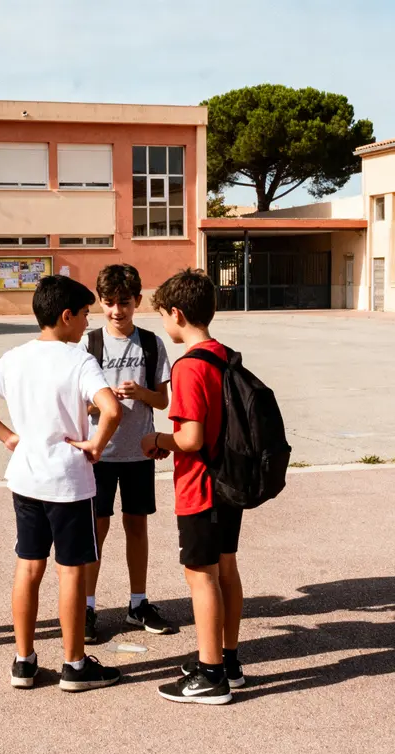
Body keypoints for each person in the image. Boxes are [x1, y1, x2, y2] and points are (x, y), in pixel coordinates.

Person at [0, 275, 125, 693]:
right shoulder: (79, 360)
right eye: (85, 315)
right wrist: (96, 446)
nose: (88, 324)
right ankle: (74, 664)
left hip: (26, 478)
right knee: (71, 571)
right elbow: (111, 410)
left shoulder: (15, 357)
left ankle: (24, 661)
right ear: (66, 316)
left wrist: (9, 437)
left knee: (28, 567)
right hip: (68, 481)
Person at [139, 269, 242, 705]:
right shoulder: (224, 354)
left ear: (176, 314)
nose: (163, 322)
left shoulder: (188, 367)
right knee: (226, 571)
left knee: (200, 577)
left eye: (162, 314)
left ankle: (211, 675)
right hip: (229, 481)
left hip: (200, 486)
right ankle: (228, 660)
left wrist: (158, 441)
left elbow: (191, 439)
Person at [77, 264, 175, 644]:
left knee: (137, 527)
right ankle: (87, 606)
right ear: (101, 302)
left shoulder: (151, 343)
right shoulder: (89, 344)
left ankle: (138, 603)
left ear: (138, 301)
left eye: (125, 302)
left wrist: (140, 394)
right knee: (95, 530)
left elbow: (162, 400)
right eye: (109, 302)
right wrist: (101, 405)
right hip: (99, 453)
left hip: (138, 451)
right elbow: (78, 403)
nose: (117, 310)